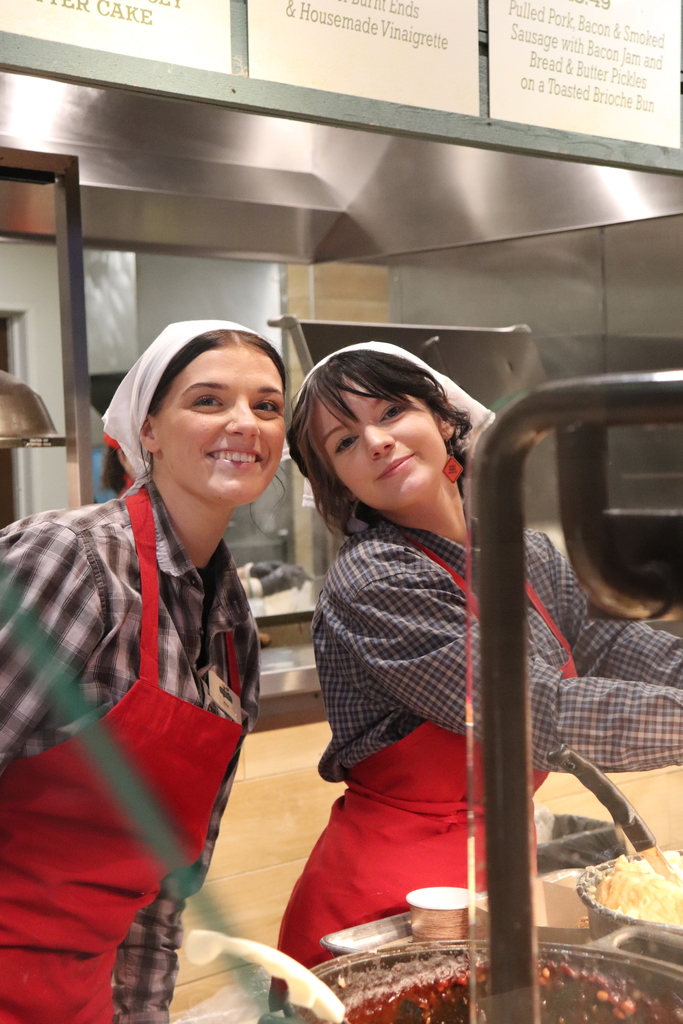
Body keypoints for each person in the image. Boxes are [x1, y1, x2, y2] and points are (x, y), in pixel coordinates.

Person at [277, 341, 683, 968]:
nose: (376, 441)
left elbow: (613, 644)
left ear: (443, 418)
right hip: (390, 904)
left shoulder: (525, 552)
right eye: (344, 443)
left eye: (389, 412)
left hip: (495, 872)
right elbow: (532, 711)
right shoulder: (376, 581)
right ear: (336, 481)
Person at [0, 320, 286, 1024]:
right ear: (149, 429)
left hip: (81, 996)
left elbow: (165, 883)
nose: (244, 423)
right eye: (210, 401)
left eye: (267, 405)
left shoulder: (229, 624)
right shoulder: (74, 560)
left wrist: (142, 1015)